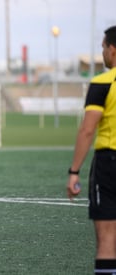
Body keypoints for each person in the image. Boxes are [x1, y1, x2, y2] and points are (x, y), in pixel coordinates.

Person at [67, 25, 116, 274]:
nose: (103, 53)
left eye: (103, 48)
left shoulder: (102, 83)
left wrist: (74, 171)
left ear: (113, 50)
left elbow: (87, 130)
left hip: (110, 161)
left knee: (107, 236)